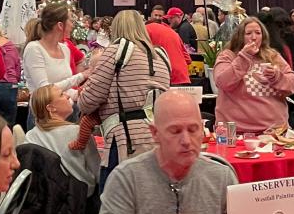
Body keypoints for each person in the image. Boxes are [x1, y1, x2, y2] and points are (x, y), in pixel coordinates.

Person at [90, 91, 294, 214]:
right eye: (175, 131)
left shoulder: (220, 175)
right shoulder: (127, 177)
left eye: (193, 129)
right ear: (155, 134)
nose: (186, 141)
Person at [77, 10, 170, 178]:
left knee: (114, 199)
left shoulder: (116, 51)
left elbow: (89, 99)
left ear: (116, 29)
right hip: (158, 138)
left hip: (123, 141)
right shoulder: (161, 56)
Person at [213, 16, 294, 135]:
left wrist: (276, 77)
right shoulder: (228, 56)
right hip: (237, 132)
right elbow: (222, 82)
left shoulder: (273, 56)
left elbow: (293, 84)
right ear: (240, 36)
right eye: (248, 33)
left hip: (275, 132)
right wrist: (244, 57)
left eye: (258, 33)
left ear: (263, 36)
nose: (253, 37)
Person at [26, 85, 100, 193]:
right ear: (51, 108)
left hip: (46, 200)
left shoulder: (30, 136)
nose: (67, 96)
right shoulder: (78, 132)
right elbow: (97, 170)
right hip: (81, 199)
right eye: (61, 94)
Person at [22, 2, 86, 107]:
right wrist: (81, 76)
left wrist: (80, 92)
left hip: (67, 110)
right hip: (44, 114)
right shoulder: (34, 49)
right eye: (70, 20)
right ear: (60, 25)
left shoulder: (65, 49)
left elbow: (65, 89)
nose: (72, 24)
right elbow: (45, 90)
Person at [145, 17, 192, 86]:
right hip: (182, 77)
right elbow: (188, 59)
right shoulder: (173, 33)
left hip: (165, 76)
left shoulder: (146, 29)